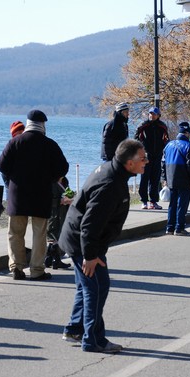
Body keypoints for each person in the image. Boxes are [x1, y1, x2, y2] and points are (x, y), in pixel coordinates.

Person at [60, 139, 148, 353]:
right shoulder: (110, 185)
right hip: (83, 242)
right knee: (98, 287)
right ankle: (93, 340)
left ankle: (75, 328)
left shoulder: (116, 172)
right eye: (143, 158)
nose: (147, 162)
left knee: (87, 286)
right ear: (129, 163)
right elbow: (89, 225)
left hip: (82, 239)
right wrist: (89, 256)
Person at [0, 109, 69, 281]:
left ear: (27, 123)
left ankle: (16, 267)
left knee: (15, 232)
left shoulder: (16, 142)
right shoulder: (49, 144)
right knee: (39, 234)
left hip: (18, 194)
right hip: (41, 193)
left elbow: (1, 165)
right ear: (43, 125)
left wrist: (14, 176)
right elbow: (63, 168)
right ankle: (37, 270)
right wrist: (50, 178)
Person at [162, 122, 190, 236]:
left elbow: (163, 163)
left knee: (172, 204)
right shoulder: (189, 146)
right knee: (182, 204)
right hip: (184, 178)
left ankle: (170, 227)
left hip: (171, 178)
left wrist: (164, 178)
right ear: (187, 133)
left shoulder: (168, 145)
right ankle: (179, 228)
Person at [135, 107, 169, 210]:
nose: (151, 115)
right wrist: (142, 149)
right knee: (144, 178)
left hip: (158, 155)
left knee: (155, 179)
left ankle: (153, 201)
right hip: (146, 155)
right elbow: (136, 138)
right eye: (150, 113)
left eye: (154, 114)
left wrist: (164, 149)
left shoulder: (162, 126)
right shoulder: (143, 125)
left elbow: (166, 139)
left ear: (158, 115)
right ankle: (144, 201)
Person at [44, 177, 73, 270]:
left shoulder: (65, 181)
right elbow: (47, 199)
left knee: (57, 235)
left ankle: (48, 259)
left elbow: (68, 192)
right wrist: (61, 201)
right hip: (53, 213)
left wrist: (71, 197)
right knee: (53, 235)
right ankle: (56, 261)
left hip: (63, 213)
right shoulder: (51, 183)